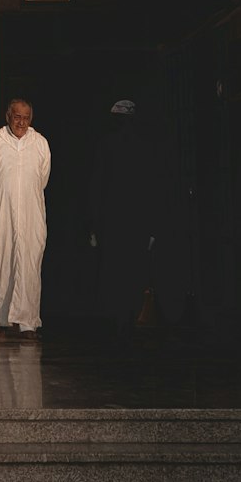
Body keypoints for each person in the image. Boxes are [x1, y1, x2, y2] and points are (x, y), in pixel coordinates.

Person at [0, 97, 51, 338]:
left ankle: (28, 322)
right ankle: (3, 321)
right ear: (8, 116)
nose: (21, 122)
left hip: (31, 216)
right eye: (17, 117)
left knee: (29, 265)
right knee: (1, 263)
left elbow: (43, 179)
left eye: (26, 118)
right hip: (1, 215)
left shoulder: (39, 143)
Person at [88, 98, 157, 343]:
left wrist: (95, 225)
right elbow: (152, 189)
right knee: (130, 272)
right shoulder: (144, 147)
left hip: (116, 220)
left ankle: (120, 319)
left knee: (117, 271)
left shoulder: (107, 145)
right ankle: (126, 318)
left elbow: (97, 187)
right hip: (130, 221)